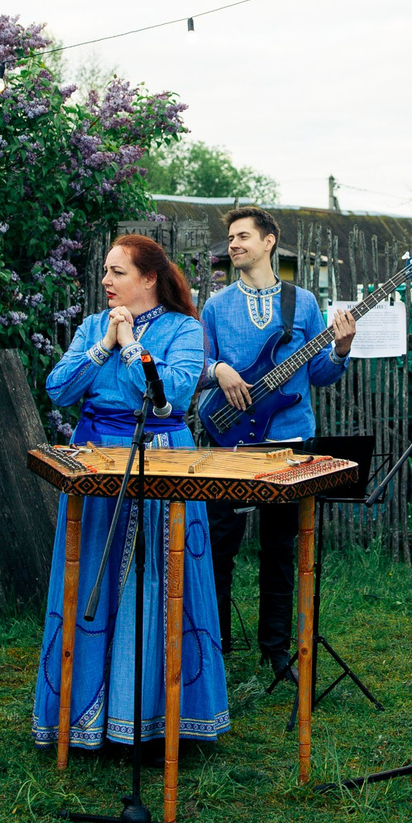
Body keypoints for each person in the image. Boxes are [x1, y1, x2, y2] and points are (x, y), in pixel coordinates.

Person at [35, 233, 229, 752]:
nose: (105, 281)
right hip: (95, 453)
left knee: (158, 578)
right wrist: (103, 345)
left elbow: (170, 394)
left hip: (160, 455)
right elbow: (58, 389)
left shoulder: (185, 329)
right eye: (105, 270)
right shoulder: (94, 326)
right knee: (90, 567)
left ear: (148, 278)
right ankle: (84, 721)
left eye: (116, 272)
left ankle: (159, 720)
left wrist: (130, 350)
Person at [198, 206, 357, 682]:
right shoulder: (215, 306)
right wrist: (218, 370)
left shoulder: (303, 303)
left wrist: (342, 349)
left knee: (279, 548)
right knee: (220, 543)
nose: (234, 244)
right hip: (229, 440)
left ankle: (275, 650)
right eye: (230, 237)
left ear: (269, 242)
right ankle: (216, 647)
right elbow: (199, 365)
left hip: (289, 440)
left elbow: (321, 374)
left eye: (243, 236)